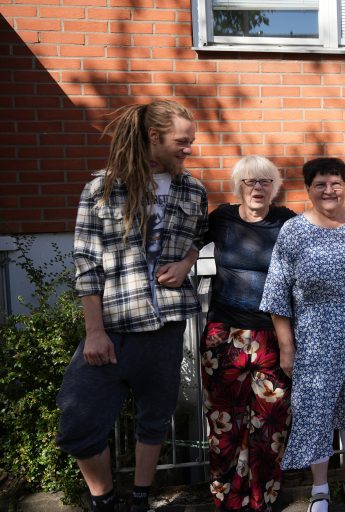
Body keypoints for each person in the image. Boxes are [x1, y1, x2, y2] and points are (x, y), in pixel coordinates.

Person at [56, 100, 208, 512]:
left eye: (190, 142)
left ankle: (140, 499)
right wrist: (94, 331)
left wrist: (187, 262)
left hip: (166, 327)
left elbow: (201, 231)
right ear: (153, 137)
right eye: (182, 141)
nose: (188, 149)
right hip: (115, 324)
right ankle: (104, 501)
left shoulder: (192, 189)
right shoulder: (102, 189)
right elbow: (87, 265)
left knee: (155, 418)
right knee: (79, 421)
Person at [260, 157, 345, 512]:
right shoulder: (294, 231)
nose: (329, 190)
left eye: (335, 183)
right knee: (316, 411)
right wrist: (286, 347)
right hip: (315, 339)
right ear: (308, 190)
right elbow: (277, 292)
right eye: (320, 184)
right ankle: (319, 489)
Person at [200, 156, 295, 511]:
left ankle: (262, 500)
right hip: (223, 337)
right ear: (238, 186)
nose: (257, 188)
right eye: (250, 182)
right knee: (224, 425)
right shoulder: (222, 218)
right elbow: (187, 243)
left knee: (270, 426)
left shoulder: (288, 223)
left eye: (265, 182)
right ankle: (226, 500)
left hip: (272, 336)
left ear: (274, 187)